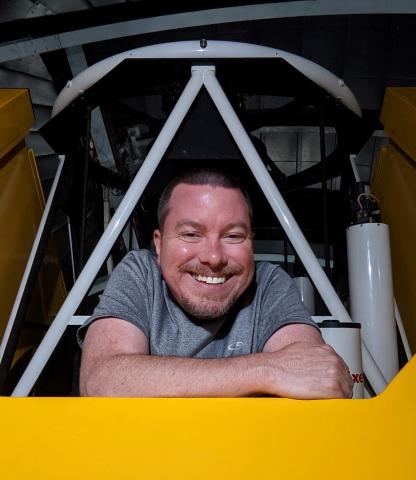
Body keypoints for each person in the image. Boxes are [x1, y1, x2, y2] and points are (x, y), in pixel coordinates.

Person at [79, 167, 352, 398]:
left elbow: (315, 374)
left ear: (251, 244)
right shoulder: (140, 273)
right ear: (159, 246)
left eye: (233, 236)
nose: (213, 257)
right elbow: (102, 379)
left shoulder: (269, 283)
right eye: (191, 234)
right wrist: (266, 370)